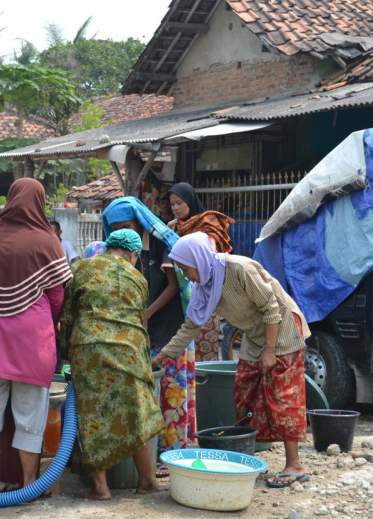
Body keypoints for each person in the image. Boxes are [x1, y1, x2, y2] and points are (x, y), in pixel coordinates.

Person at [157, 232, 311, 489]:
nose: (185, 274)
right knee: (244, 391)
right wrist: (162, 357)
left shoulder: (239, 269)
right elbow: (191, 326)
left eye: (186, 267)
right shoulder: (205, 285)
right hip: (253, 333)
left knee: (283, 395)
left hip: (282, 329)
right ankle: (245, 460)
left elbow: (271, 308)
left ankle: (294, 464)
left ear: (199, 259)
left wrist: (270, 351)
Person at [0, 178, 72, 493]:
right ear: (39, 201)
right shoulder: (47, 240)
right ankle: (28, 483)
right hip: (31, 342)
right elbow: (57, 297)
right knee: (30, 417)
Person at [59, 228, 162, 500]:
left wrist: (64, 353)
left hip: (89, 347)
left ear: (109, 247)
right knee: (135, 413)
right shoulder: (138, 278)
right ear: (134, 254)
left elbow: (68, 315)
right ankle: (147, 481)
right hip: (128, 348)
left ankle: (101, 488)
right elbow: (139, 318)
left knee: (93, 416)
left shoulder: (81, 267)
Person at [101, 196, 197, 461]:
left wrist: (147, 313)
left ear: (139, 222)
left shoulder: (161, 242)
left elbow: (174, 286)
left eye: (128, 225)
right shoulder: (119, 249)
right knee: (150, 393)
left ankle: (173, 452)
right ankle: (155, 451)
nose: (124, 231)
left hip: (169, 325)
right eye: (117, 227)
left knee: (171, 388)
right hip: (143, 327)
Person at [166, 182, 234, 362]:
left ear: (189, 200)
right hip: (181, 293)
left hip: (207, 288)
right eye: (172, 204)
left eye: (179, 203)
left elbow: (215, 255)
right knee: (183, 343)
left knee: (204, 344)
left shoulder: (207, 223)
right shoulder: (173, 228)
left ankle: (208, 385)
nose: (175, 208)